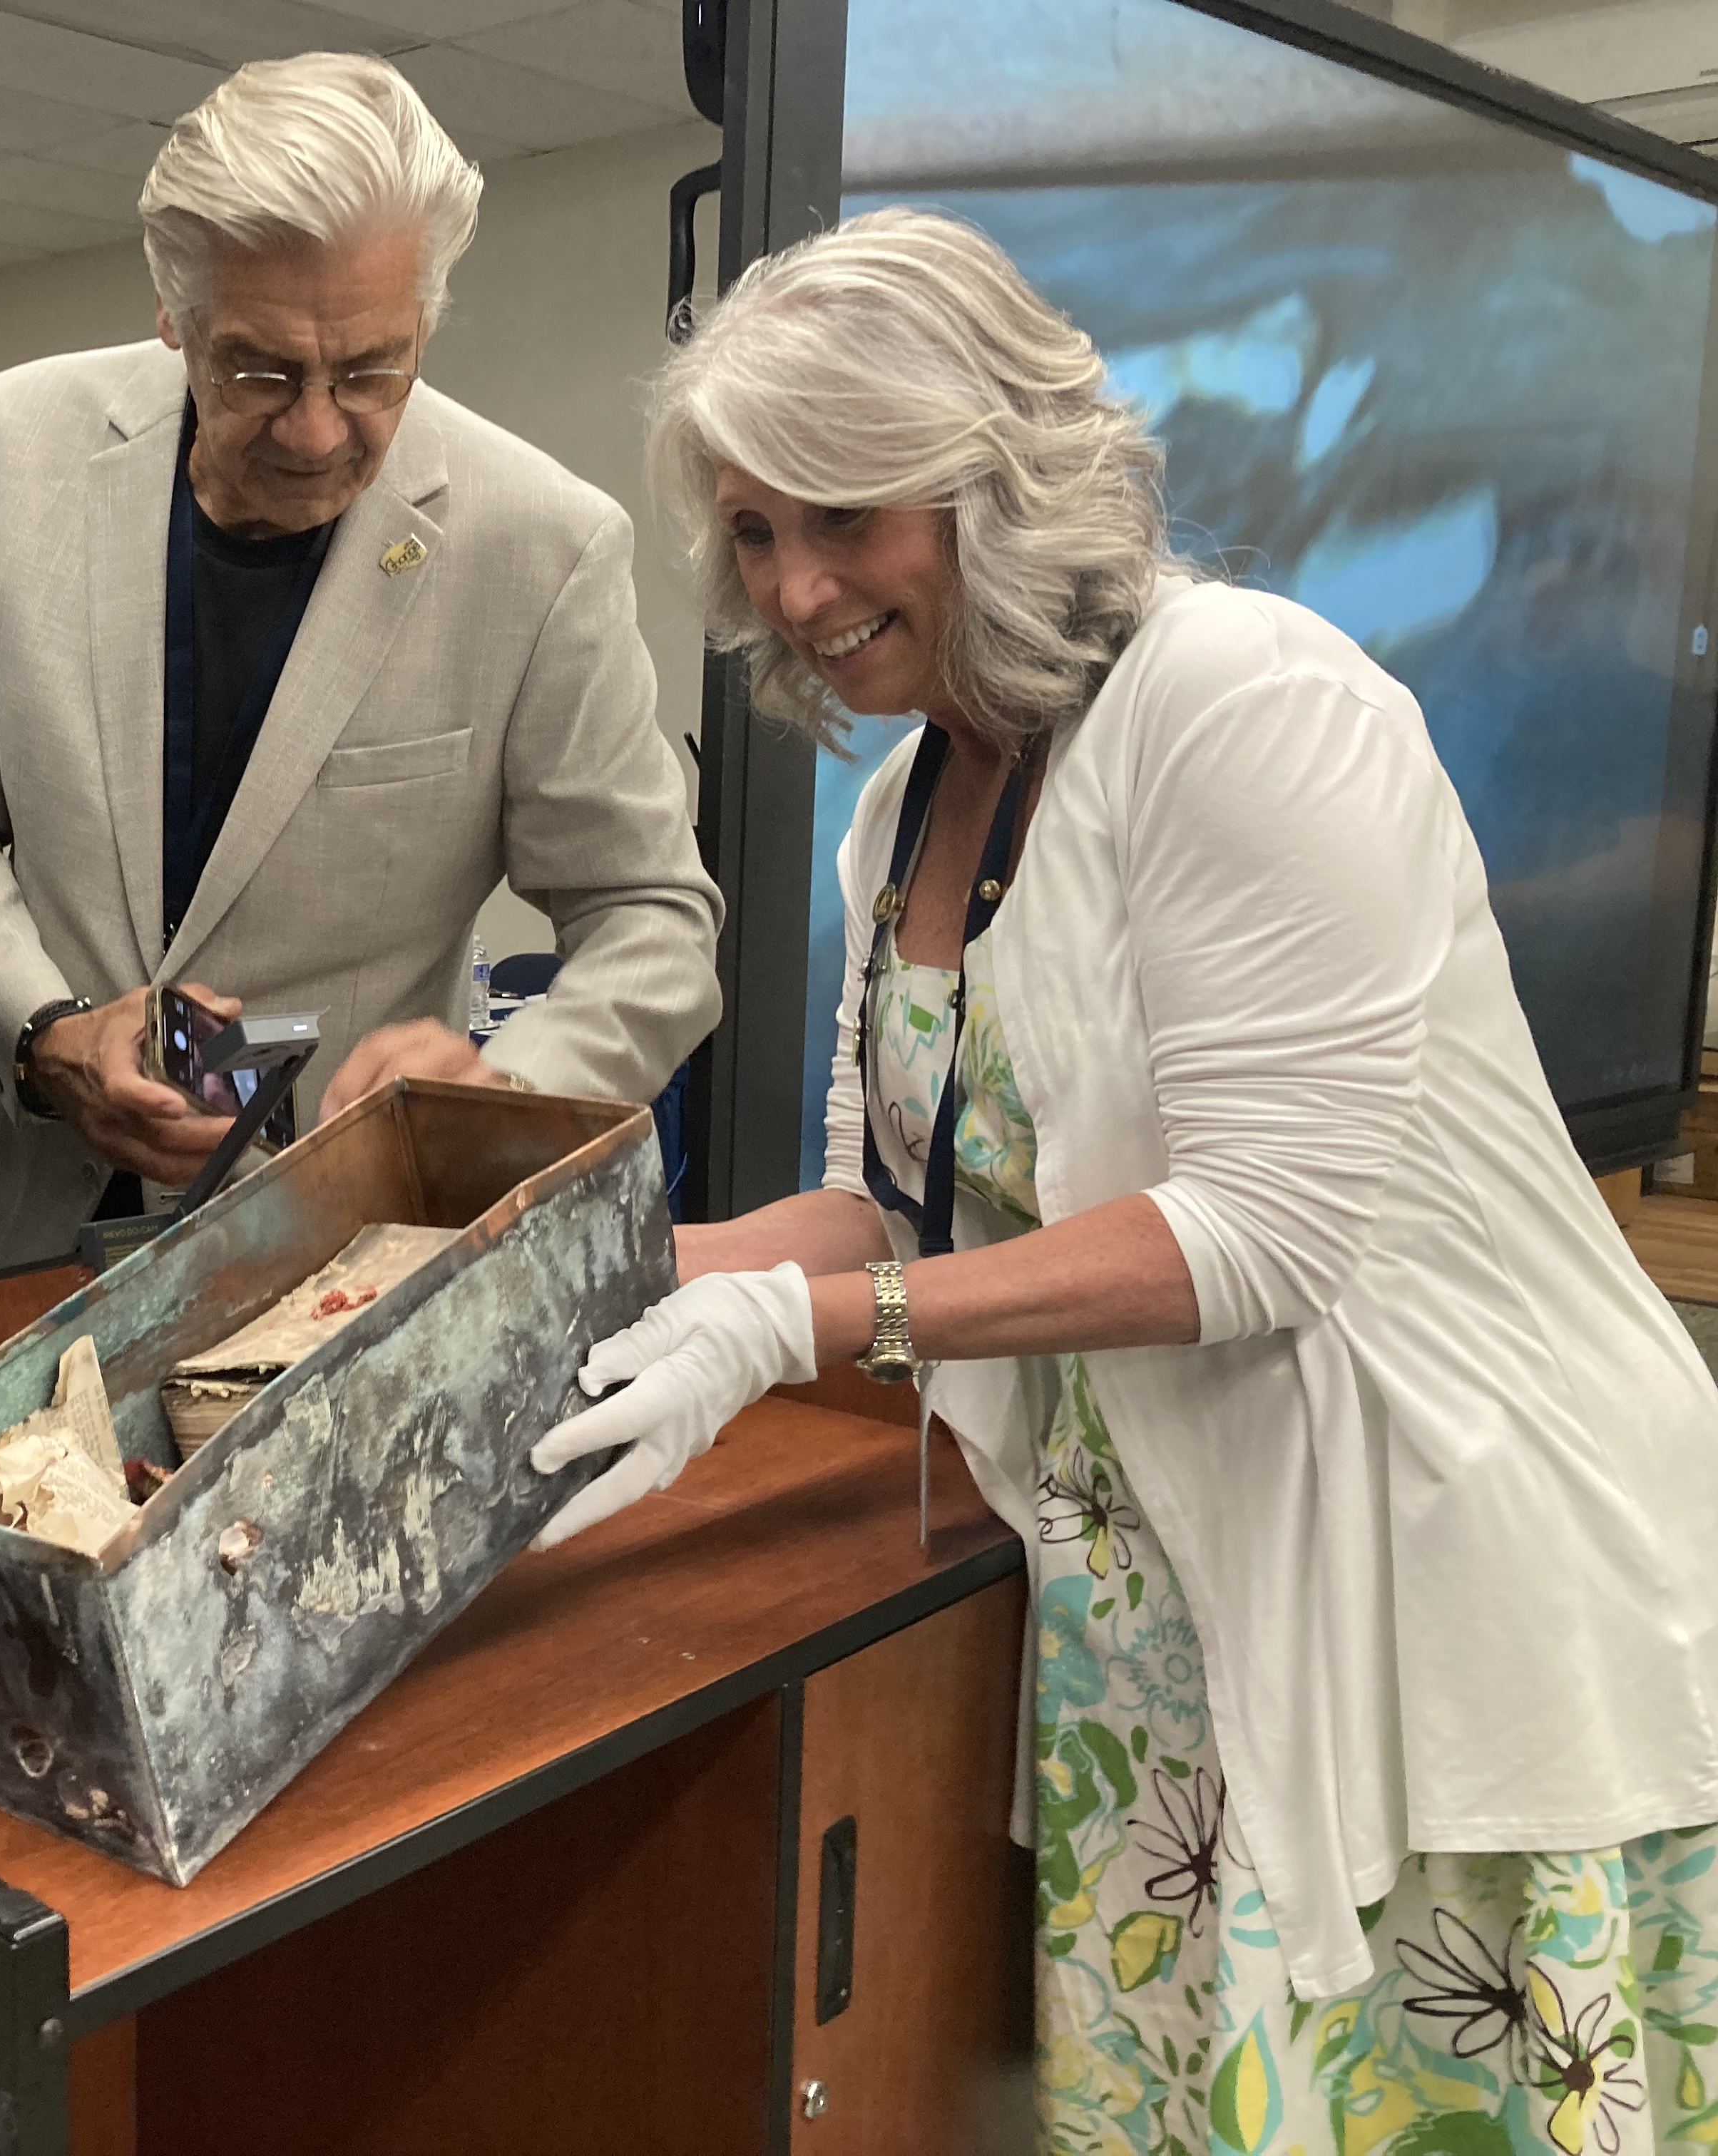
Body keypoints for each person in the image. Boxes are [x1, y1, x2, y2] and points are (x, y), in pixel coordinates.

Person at [536, 206, 1718, 2150]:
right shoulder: (902, 803)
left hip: (1435, 1552)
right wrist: (602, 1270)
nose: (798, 584)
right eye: (756, 531)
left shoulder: (1247, 705)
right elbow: (893, 1198)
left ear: (995, 479)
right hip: (1153, 1590)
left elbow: (1265, 1234)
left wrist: (808, 1326)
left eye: (850, 513)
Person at [0, 51, 722, 1263]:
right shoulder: (15, 447)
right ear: (171, 316)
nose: (315, 430)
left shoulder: (539, 543)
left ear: (428, 319)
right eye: (258, 369)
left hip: (338, 1250)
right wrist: (48, 1034)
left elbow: (653, 919)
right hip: (31, 1225)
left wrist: (494, 1092)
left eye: (371, 370)